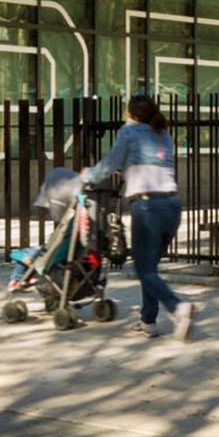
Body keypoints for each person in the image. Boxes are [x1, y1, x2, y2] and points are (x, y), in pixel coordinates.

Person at [83, 93, 194, 341]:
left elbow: (108, 165)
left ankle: (178, 308)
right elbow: (151, 163)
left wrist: (86, 175)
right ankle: (148, 321)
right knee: (150, 268)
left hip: (147, 206)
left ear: (131, 113)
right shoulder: (163, 134)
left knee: (143, 269)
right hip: (172, 205)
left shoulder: (128, 132)